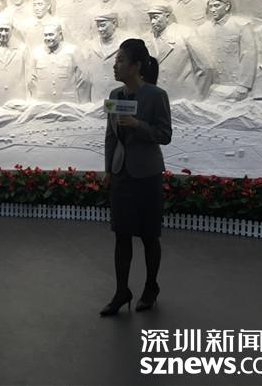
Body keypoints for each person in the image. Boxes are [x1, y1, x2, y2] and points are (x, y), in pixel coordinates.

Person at [100, 38, 172, 317]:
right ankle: (122, 291)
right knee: (121, 235)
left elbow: (164, 135)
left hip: (147, 176)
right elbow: (110, 136)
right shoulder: (115, 95)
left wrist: (137, 124)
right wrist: (109, 169)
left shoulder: (156, 96)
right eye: (115, 61)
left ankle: (151, 287)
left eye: (120, 60)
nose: (115, 66)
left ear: (136, 66)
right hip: (121, 175)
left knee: (149, 236)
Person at [195, 0, 257, 101]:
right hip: (210, 86)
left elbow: (248, 55)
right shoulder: (202, 30)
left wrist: (244, 85)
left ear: (227, 6)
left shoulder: (241, 25)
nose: (213, 9)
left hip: (234, 85)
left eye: (216, 6)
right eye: (211, 6)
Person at [29, 20, 87, 103]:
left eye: (51, 35)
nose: (48, 38)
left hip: (68, 103)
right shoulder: (36, 53)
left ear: (60, 35)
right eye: (46, 35)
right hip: (43, 103)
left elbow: (83, 79)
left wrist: (82, 103)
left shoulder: (73, 51)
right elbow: (32, 80)